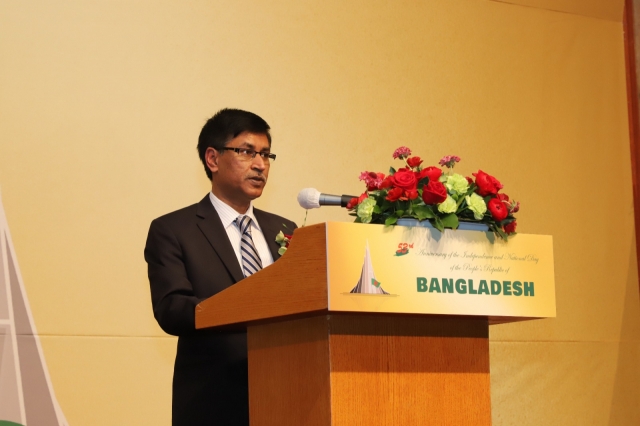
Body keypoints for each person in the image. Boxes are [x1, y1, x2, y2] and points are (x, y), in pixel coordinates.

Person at [144, 108, 297, 426]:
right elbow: (172, 309)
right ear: (212, 159)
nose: (260, 165)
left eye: (266, 154)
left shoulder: (284, 229)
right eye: (246, 151)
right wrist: (246, 306)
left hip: (289, 394)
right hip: (213, 403)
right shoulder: (173, 229)